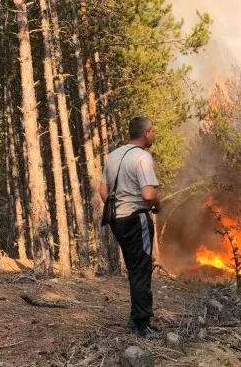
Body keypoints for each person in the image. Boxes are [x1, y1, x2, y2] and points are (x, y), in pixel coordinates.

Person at [99, 116, 161, 338]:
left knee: (135, 268)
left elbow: (102, 190)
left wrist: (117, 207)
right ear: (145, 133)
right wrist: (157, 204)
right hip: (137, 218)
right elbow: (147, 194)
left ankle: (136, 319)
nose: (153, 135)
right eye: (152, 132)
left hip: (118, 220)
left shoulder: (113, 156)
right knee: (142, 269)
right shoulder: (142, 157)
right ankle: (142, 324)